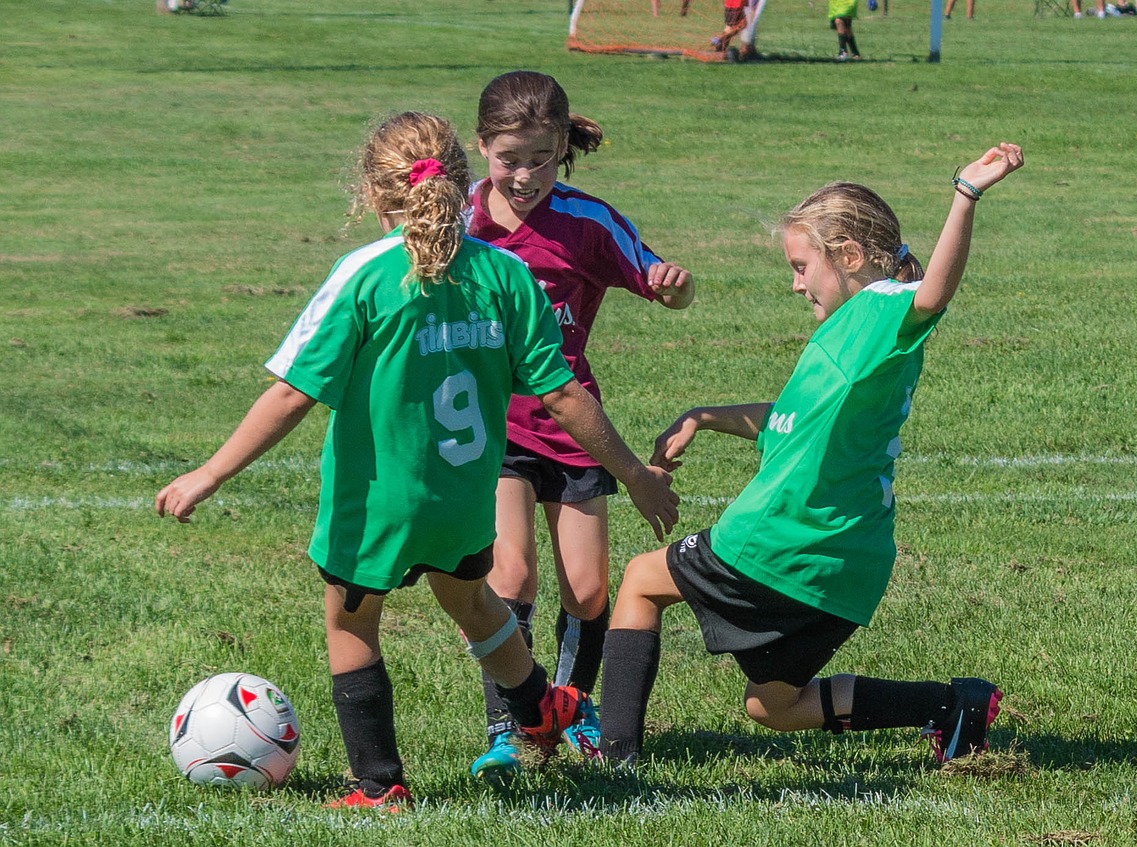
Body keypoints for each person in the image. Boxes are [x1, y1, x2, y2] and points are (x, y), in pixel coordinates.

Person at [155, 111, 678, 808]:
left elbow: (289, 395)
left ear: (375, 193)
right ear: (463, 186)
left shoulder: (365, 276)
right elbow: (562, 395)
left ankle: (379, 784)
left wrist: (208, 472)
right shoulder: (504, 274)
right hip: (465, 497)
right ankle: (538, 710)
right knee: (472, 601)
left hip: (380, 499)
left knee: (352, 622)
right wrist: (635, 474)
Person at [593, 143, 1025, 768]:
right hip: (846, 567)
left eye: (801, 265)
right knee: (774, 708)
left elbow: (932, 294)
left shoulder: (879, 308)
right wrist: (704, 417)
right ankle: (950, 705)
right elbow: (790, 422)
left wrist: (967, 192)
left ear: (848, 256)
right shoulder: (850, 340)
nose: (795, 283)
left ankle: (615, 759)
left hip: (780, 543)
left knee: (640, 580)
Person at [465, 70, 694, 782]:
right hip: (491, 428)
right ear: (481, 149)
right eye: (510, 158)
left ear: (562, 144)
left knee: (589, 591)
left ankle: (572, 704)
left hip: (573, 426)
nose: (525, 174)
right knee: (510, 574)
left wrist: (673, 286)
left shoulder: (588, 222)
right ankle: (510, 722)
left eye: (540, 156)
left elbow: (660, 279)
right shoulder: (459, 222)